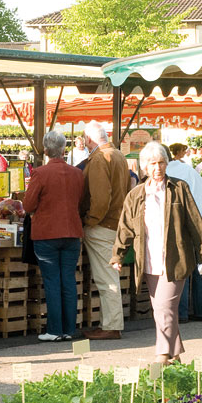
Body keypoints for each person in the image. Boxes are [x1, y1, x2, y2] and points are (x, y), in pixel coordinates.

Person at [111, 142, 202, 364]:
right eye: (153, 163)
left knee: (165, 308)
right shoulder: (136, 194)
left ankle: (162, 354)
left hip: (175, 259)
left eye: (162, 162)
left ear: (167, 164)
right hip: (149, 260)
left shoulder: (179, 188)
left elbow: (196, 223)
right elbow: (125, 227)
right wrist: (118, 255)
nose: (158, 168)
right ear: (144, 166)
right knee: (161, 310)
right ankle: (175, 354)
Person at [22, 132, 85, 342]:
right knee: (68, 280)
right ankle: (69, 329)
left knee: (52, 281)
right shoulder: (77, 173)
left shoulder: (40, 173)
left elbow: (28, 205)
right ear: (64, 150)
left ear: (46, 151)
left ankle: (55, 330)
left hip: (47, 233)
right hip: (72, 232)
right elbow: (80, 201)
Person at [79, 124, 131, 340]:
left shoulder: (100, 158)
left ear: (88, 139)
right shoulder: (118, 155)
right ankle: (109, 323)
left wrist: (90, 221)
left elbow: (101, 199)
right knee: (109, 276)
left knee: (106, 278)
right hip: (116, 223)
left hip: (102, 225)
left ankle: (111, 325)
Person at [165, 144, 202, 322]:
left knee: (182, 266)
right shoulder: (185, 168)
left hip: (191, 223)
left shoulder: (167, 173)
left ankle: (180, 313)